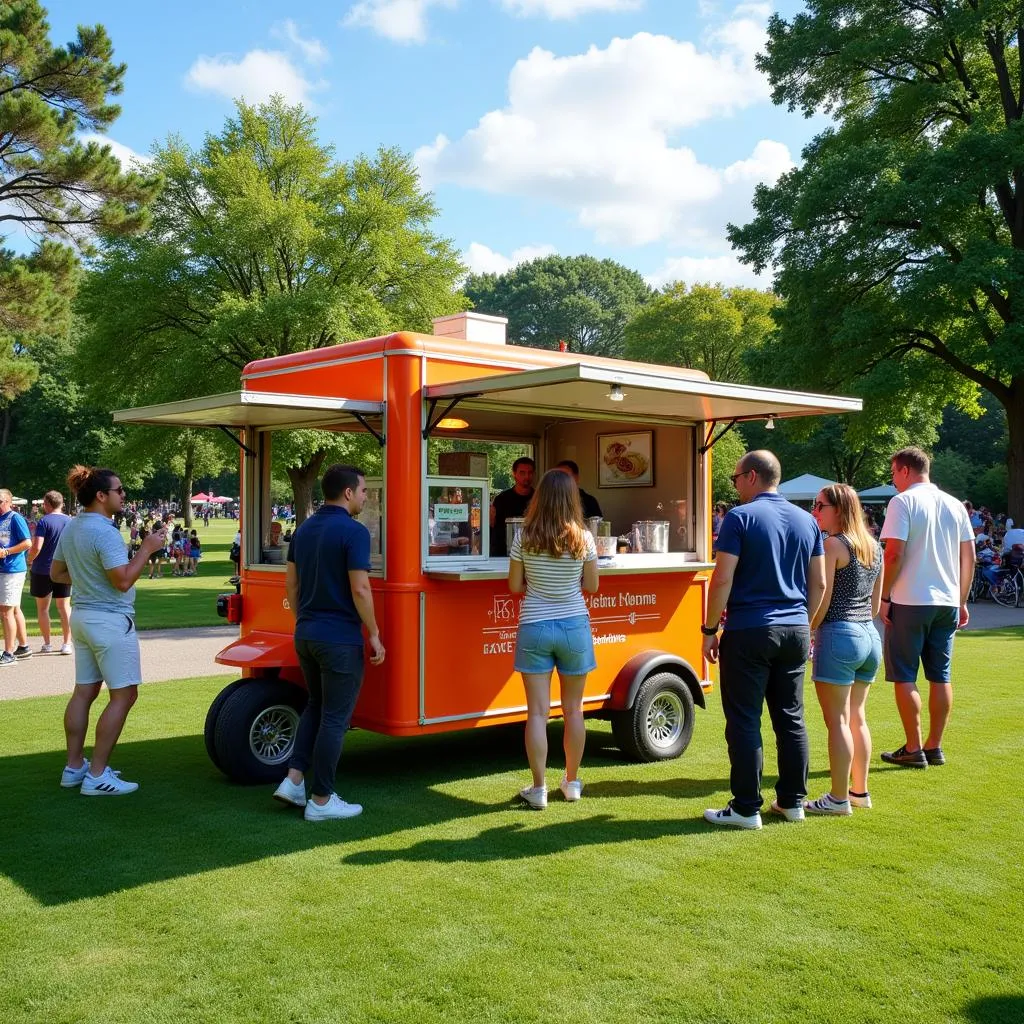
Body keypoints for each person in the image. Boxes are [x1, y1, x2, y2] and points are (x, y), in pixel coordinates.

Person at [700, 450, 825, 829]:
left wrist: (709, 630)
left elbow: (721, 579)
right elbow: (818, 583)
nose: (735, 485)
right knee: (791, 718)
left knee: (743, 718)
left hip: (750, 629)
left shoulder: (740, 518)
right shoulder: (808, 520)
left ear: (752, 476)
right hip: (796, 628)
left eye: (736, 478)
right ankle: (792, 802)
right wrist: (808, 624)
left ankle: (745, 807)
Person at [273, 464, 385, 822]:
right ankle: (321, 799)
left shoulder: (303, 529)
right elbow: (360, 588)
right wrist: (375, 633)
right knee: (335, 718)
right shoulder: (354, 532)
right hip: (339, 638)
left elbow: (290, 585)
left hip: (306, 632)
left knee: (316, 707)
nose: (366, 497)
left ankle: (293, 780)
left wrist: (301, 618)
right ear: (349, 493)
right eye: (364, 491)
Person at [50, 466, 167, 795]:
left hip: (83, 618)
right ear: (101, 496)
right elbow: (123, 580)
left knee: (84, 692)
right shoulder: (104, 532)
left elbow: (57, 573)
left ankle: (74, 767)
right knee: (125, 694)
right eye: (119, 490)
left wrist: (90, 579)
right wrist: (147, 548)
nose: (123, 494)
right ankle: (97, 774)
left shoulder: (73, 527)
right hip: (110, 621)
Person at [878, 447, 974, 769]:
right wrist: (960, 600)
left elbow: (893, 555)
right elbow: (969, 558)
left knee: (904, 675)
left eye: (893, 473)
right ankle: (934, 746)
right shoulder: (955, 504)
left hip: (910, 599)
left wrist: (884, 596)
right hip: (947, 600)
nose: (893, 481)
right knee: (940, 675)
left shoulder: (902, 502)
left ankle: (914, 747)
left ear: (905, 470)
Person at [508, 469, 599, 809]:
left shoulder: (524, 536)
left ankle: (539, 788)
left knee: (537, 714)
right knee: (574, 711)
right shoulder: (584, 537)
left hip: (535, 624)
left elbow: (515, 587)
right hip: (574, 625)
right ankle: (572, 782)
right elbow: (591, 586)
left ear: (540, 496)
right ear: (572, 498)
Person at [807, 484, 883, 814]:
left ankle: (838, 798)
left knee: (837, 722)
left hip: (840, 635)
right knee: (857, 718)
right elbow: (877, 605)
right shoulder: (873, 546)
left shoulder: (833, 545)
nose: (815, 510)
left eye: (820, 505)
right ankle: (859, 792)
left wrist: (808, 630)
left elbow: (821, 596)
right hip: (868, 634)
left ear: (838, 509)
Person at [28, 490, 73, 655]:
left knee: (43, 609)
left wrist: (29, 559)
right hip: (64, 569)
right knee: (64, 607)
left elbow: (37, 547)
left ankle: (47, 643)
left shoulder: (44, 522)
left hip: (42, 569)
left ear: (47, 504)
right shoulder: (70, 522)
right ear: (61, 503)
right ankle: (67, 643)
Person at [0, 489, 33, 665]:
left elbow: (28, 542)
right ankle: (24, 647)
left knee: (5, 612)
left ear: (8, 501)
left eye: (0, 501)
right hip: (4, 569)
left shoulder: (15, 518)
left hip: (12, 570)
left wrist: (6, 551)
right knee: (14, 609)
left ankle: (9, 653)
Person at [490, 457, 536, 556]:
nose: (527, 476)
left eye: (530, 473)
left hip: (532, 553)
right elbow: (493, 528)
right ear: (514, 474)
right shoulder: (502, 499)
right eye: (522, 473)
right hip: (503, 554)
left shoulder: (540, 499)